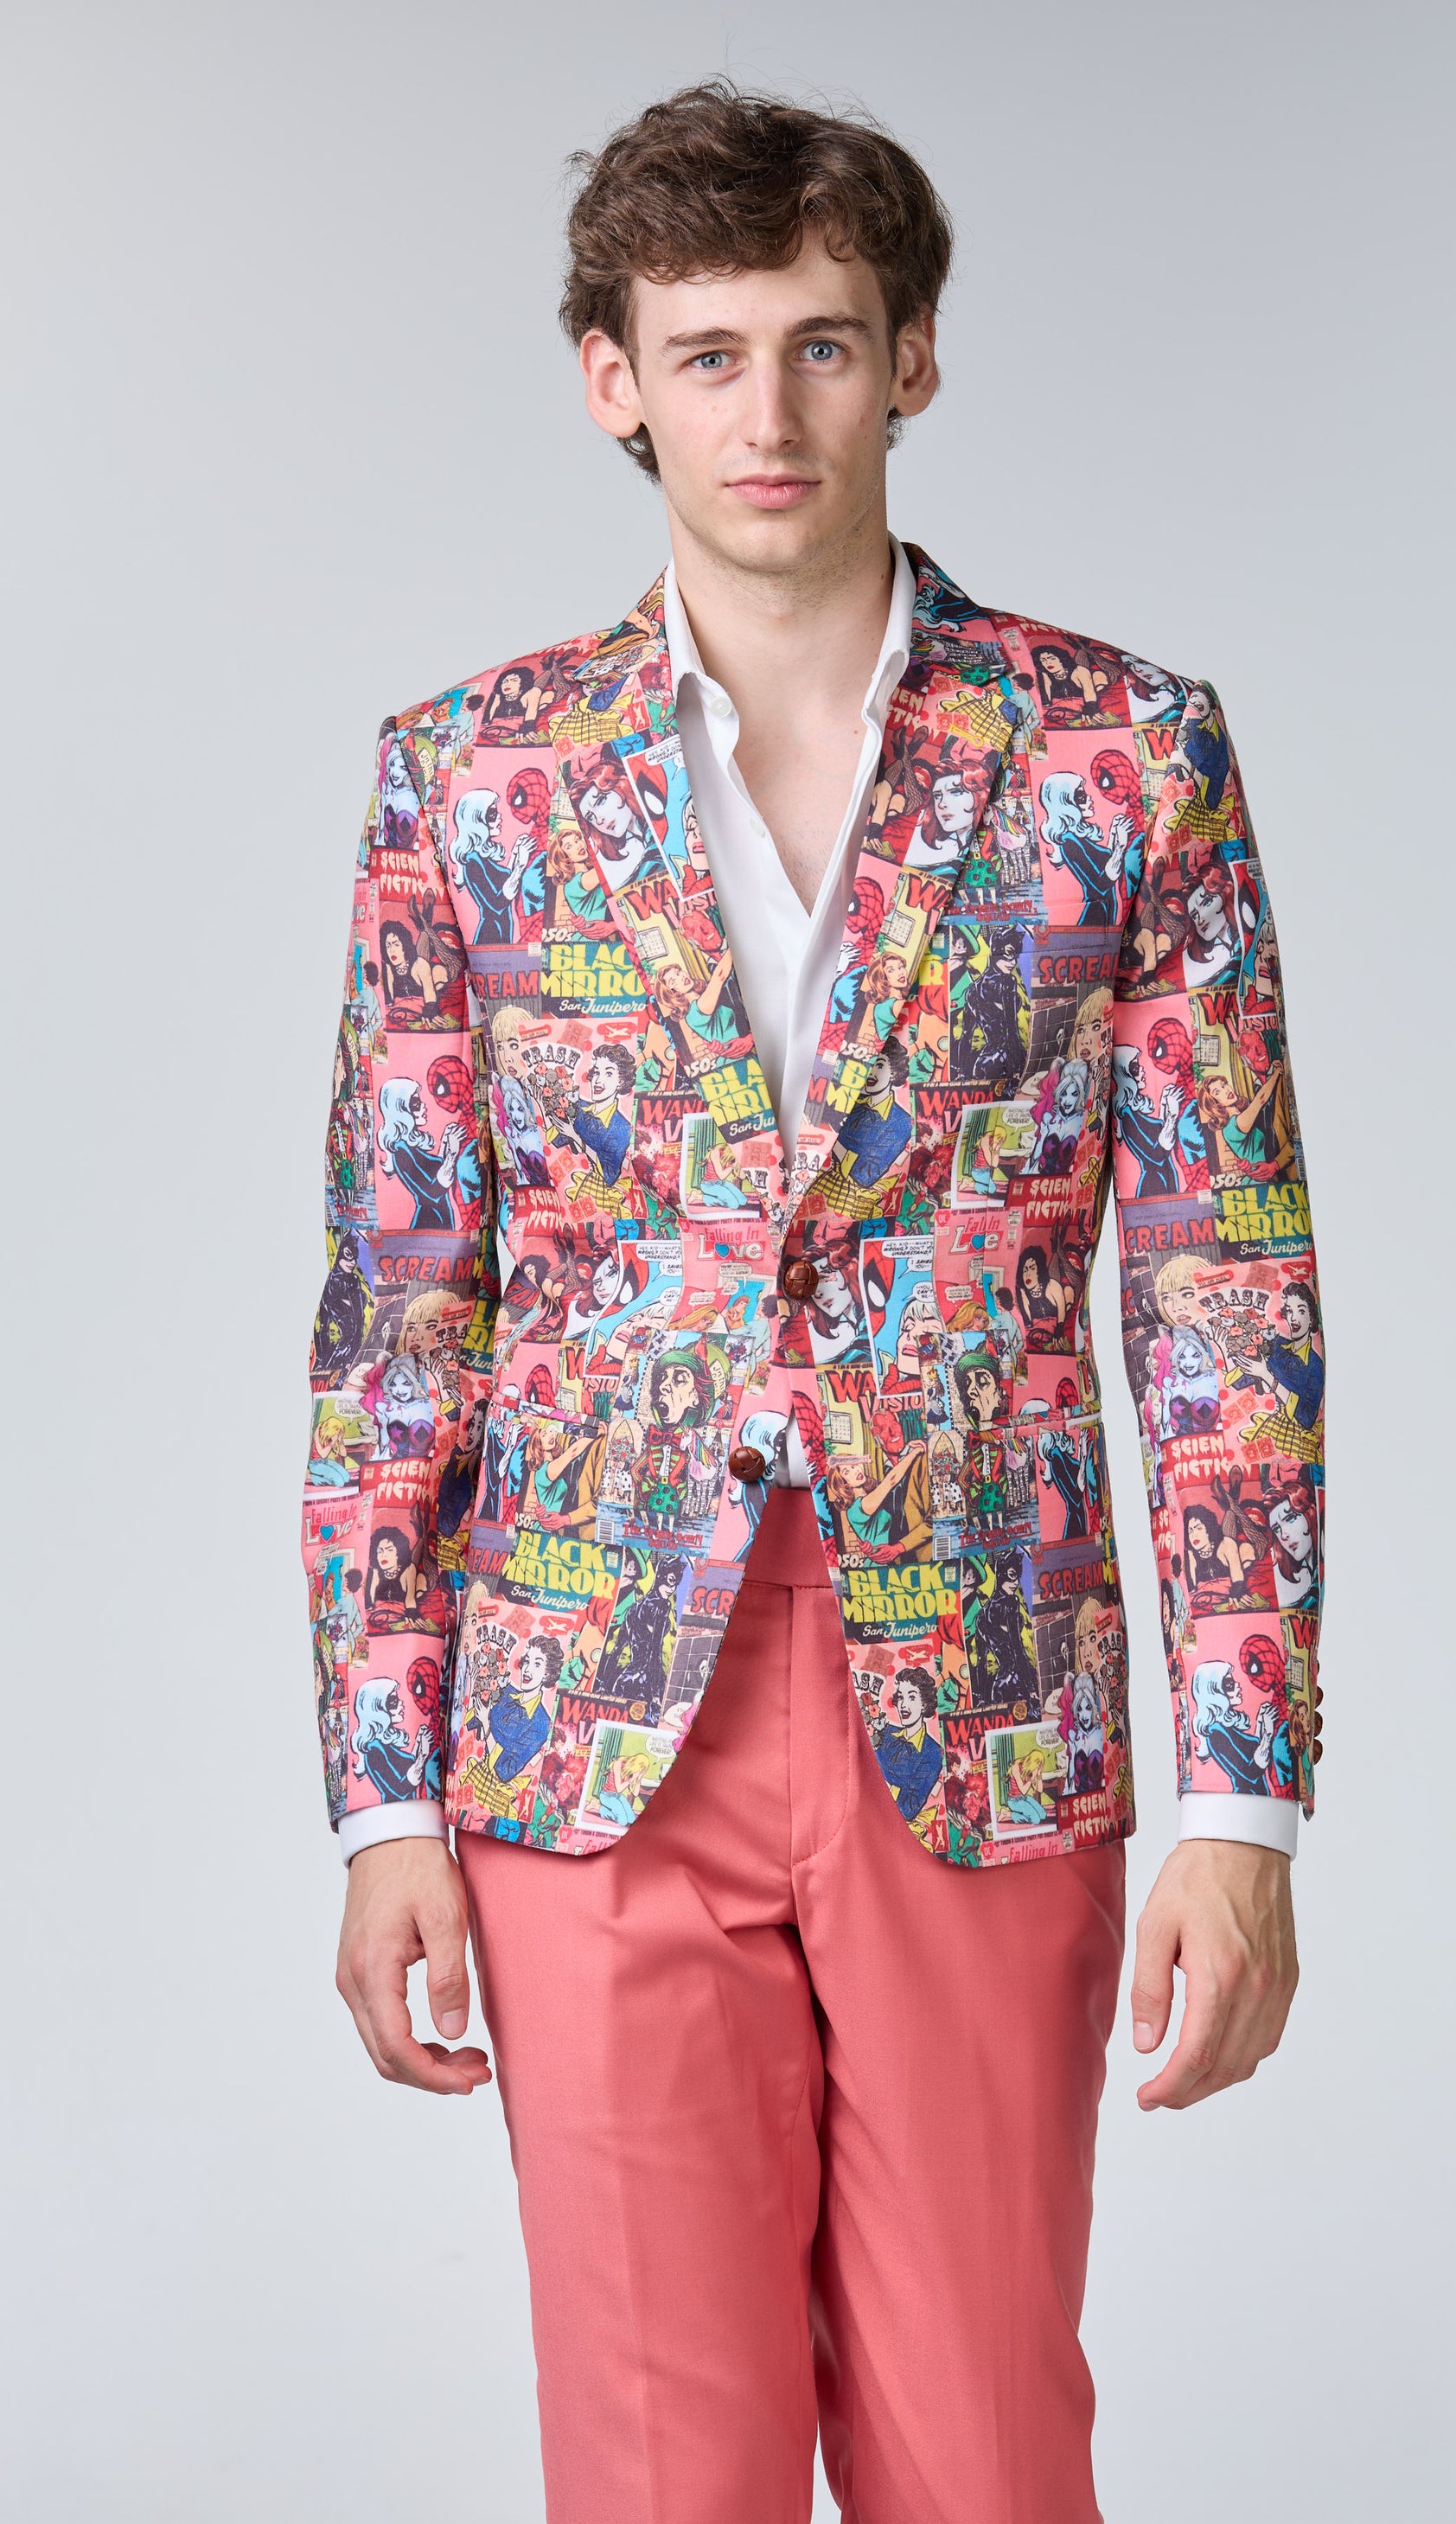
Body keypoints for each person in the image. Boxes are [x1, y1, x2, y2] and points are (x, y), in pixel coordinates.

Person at [311, 80, 1325, 2524]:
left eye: (823, 345)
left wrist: (1245, 1796)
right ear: (613, 378)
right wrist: (383, 1791)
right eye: (708, 353)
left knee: (985, 2451)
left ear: (913, 360)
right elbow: (400, 1306)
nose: (767, 412)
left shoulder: (1124, 756)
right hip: (582, 1717)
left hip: (978, 1694)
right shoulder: (470, 779)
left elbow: (1224, 1287)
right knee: (660, 2469)